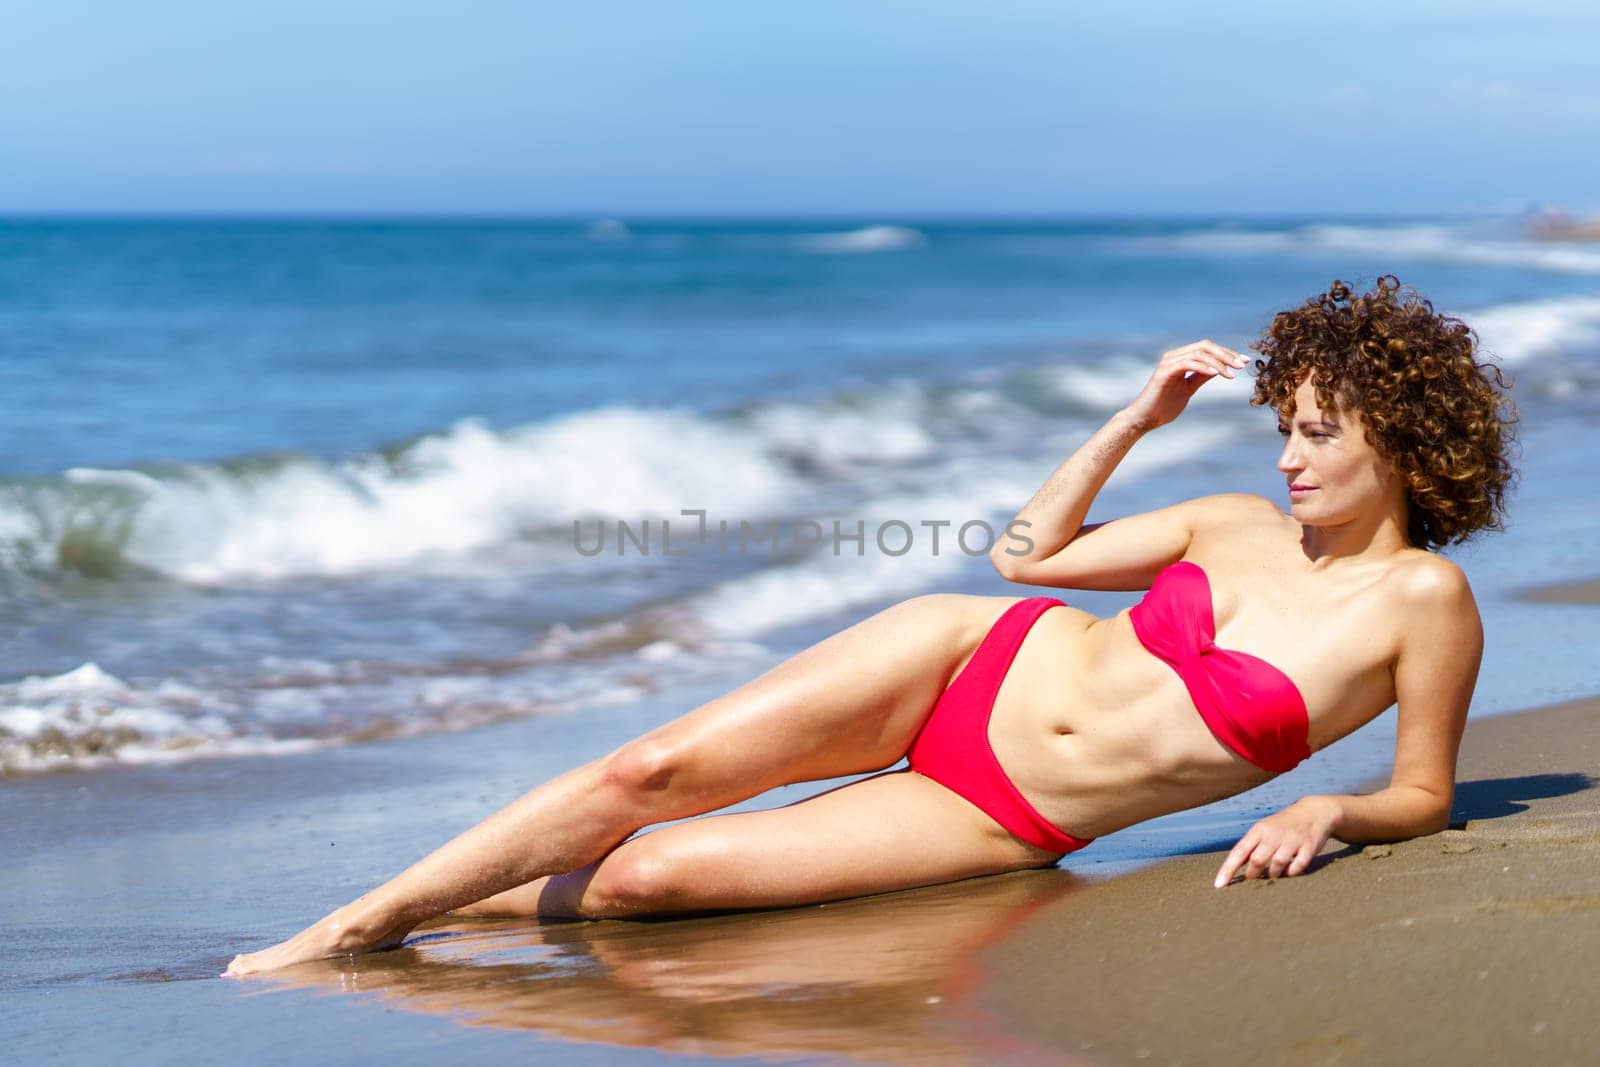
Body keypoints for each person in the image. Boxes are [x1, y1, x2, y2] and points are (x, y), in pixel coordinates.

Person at [225, 276, 1516, 977]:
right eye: (1283, 424)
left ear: (1399, 442)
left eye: (1319, 431)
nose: (1290, 455)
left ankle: (446, 909)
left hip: (1003, 816)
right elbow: (1030, 559)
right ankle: (357, 922)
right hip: (963, 657)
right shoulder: (1231, 519)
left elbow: (1423, 792)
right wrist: (1135, 422)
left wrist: (1325, 811)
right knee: (650, 774)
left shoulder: (1423, 604)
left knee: (648, 878)